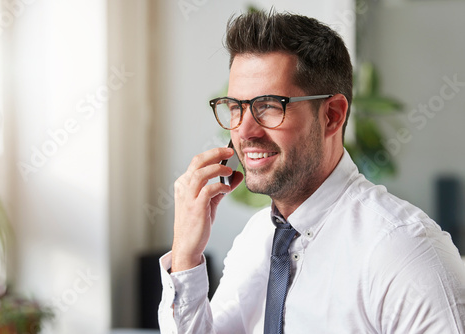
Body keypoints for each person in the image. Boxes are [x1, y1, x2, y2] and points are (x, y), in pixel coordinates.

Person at [158, 10, 465, 334]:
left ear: (332, 116)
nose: (244, 131)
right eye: (236, 107)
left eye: (268, 105)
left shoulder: (406, 252)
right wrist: (186, 258)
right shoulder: (255, 239)